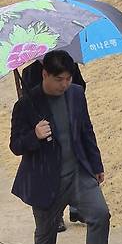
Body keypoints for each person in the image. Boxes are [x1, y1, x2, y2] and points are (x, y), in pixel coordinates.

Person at [10, 49, 110, 244]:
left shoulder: (76, 94)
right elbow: (16, 145)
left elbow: (86, 130)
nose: (64, 84)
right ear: (45, 74)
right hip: (45, 179)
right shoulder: (26, 104)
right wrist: (34, 135)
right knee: (45, 233)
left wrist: (96, 164)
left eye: (69, 78)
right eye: (59, 79)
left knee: (100, 215)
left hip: (79, 172)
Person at [22, 58, 87, 230]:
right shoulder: (29, 72)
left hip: (68, 123)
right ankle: (56, 216)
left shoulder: (69, 64)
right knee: (54, 176)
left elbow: (80, 87)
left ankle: (77, 208)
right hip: (46, 131)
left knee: (75, 166)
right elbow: (26, 103)